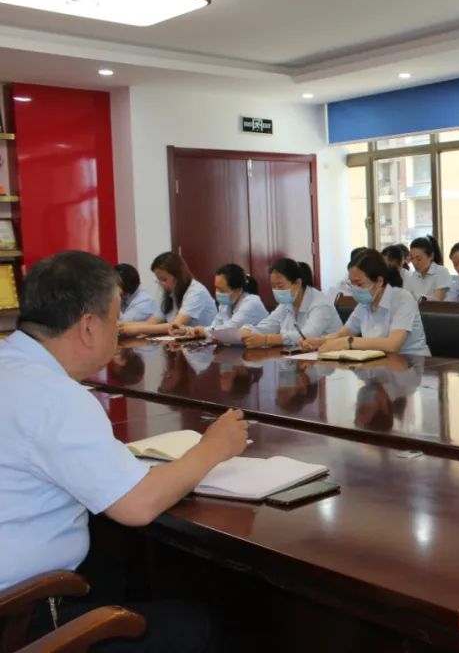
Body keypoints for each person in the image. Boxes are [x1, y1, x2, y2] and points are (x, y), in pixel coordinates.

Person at [0, 250, 249, 651]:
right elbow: (137, 506)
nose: (118, 329)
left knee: (114, 564)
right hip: (20, 615)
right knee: (199, 625)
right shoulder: (53, 396)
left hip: (22, 589)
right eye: (115, 320)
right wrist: (213, 447)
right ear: (88, 327)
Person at [302, 249, 430, 356]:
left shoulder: (403, 299)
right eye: (352, 284)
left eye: (359, 284)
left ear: (379, 281)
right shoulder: (365, 303)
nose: (355, 289)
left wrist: (348, 342)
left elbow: (392, 345)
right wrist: (320, 341)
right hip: (379, 366)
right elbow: (343, 333)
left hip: (412, 365)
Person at [240, 258, 339, 348]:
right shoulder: (286, 303)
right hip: (296, 356)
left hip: (327, 357)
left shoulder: (320, 304)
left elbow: (308, 335)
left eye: (280, 286)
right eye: (273, 286)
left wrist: (267, 339)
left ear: (297, 283)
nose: (276, 290)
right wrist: (246, 331)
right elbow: (267, 325)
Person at [118, 252, 216, 337]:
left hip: (205, 345)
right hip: (183, 345)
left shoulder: (196, 291)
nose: (161, 284)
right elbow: (150, 323)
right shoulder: (171, 294)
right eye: (159, 280)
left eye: (164, 279)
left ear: (178, 276)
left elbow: (176, 326)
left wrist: (137, 330)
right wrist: (123, 326)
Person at [178, 263, 268, 338]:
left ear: (237, 290)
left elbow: (230, 329)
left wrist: (203, 331)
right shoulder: (226, 304)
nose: (217, 293)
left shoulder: (252, 303)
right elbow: (215, 327)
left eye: (221, 290)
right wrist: (188, 330)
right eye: (216, 288)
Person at [403, 235, 452, 301]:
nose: (415, 262)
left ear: (431, 256)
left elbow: (438, 301)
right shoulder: (413, 276)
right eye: (412, 258)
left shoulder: (441, 272)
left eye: (419, 259)